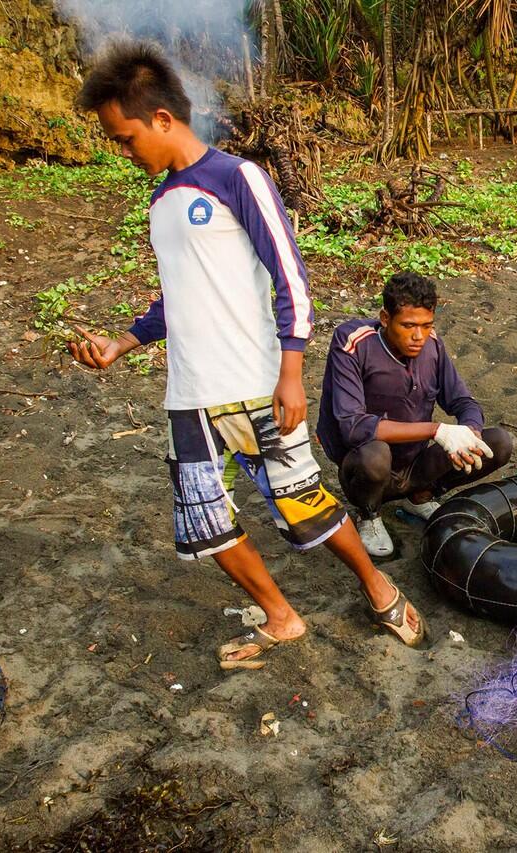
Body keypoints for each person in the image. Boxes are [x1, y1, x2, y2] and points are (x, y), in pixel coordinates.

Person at [68, 42, 425, 661]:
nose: (122, 152)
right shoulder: (160, 204)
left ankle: (377, 584)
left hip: (258, 386)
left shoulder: (239, 179)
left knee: (303, 507)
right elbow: (174, 299)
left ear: (161, 119)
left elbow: (291, 279)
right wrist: (123, 342)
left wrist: (290, 372)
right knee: (205, 523)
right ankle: (281, 615)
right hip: (189, 396)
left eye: (124, 138)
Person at [316, 272, 513, 557]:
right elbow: (353, 426)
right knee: (375, 455)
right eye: (408, 326)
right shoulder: (352, 343)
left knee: (499, 444)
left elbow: (464, 402)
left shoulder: (432, 345)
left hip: (417, 463)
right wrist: (437, 431)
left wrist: (468, 433)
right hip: (366, 465)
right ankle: (369, 514)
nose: (418, 336)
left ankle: (421, 496)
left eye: (426, 325)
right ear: (385, 318)